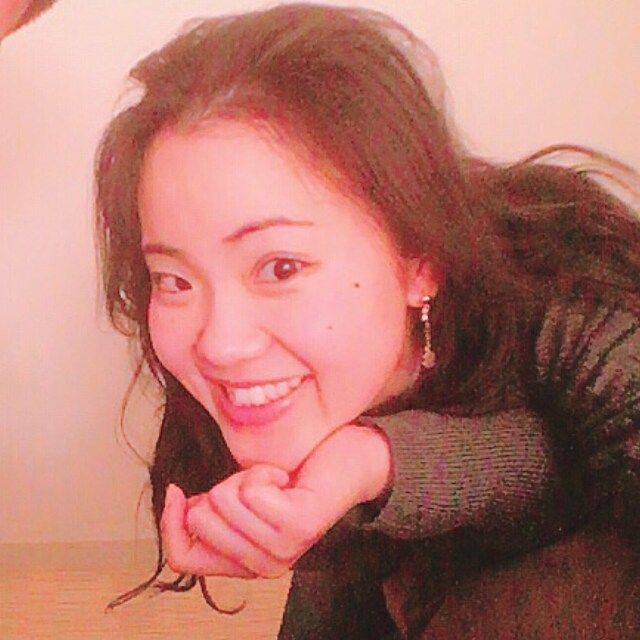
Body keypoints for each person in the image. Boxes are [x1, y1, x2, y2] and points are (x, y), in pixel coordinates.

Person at [95, 4, 640, 638]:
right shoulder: (310, 392)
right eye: (174, 279)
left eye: (280, 267)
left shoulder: (577, 314)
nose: (219, 344)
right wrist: (369, 466)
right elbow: (549, 472)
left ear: (420, 260)